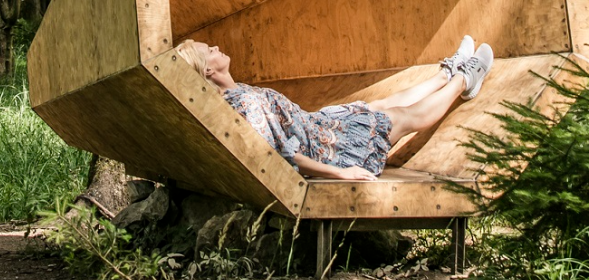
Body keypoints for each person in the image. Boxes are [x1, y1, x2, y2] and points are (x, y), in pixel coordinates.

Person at [175, 36, 493, 181]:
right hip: (327, 149)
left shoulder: (238, 91)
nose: (217, 47)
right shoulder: (240, 104)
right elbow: (282, 156)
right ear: (207, 71)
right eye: (210, 50)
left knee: (379, 105)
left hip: (319, 126)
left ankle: (446, 73)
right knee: (402, 118)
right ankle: (466, 80)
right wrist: (342, 173)